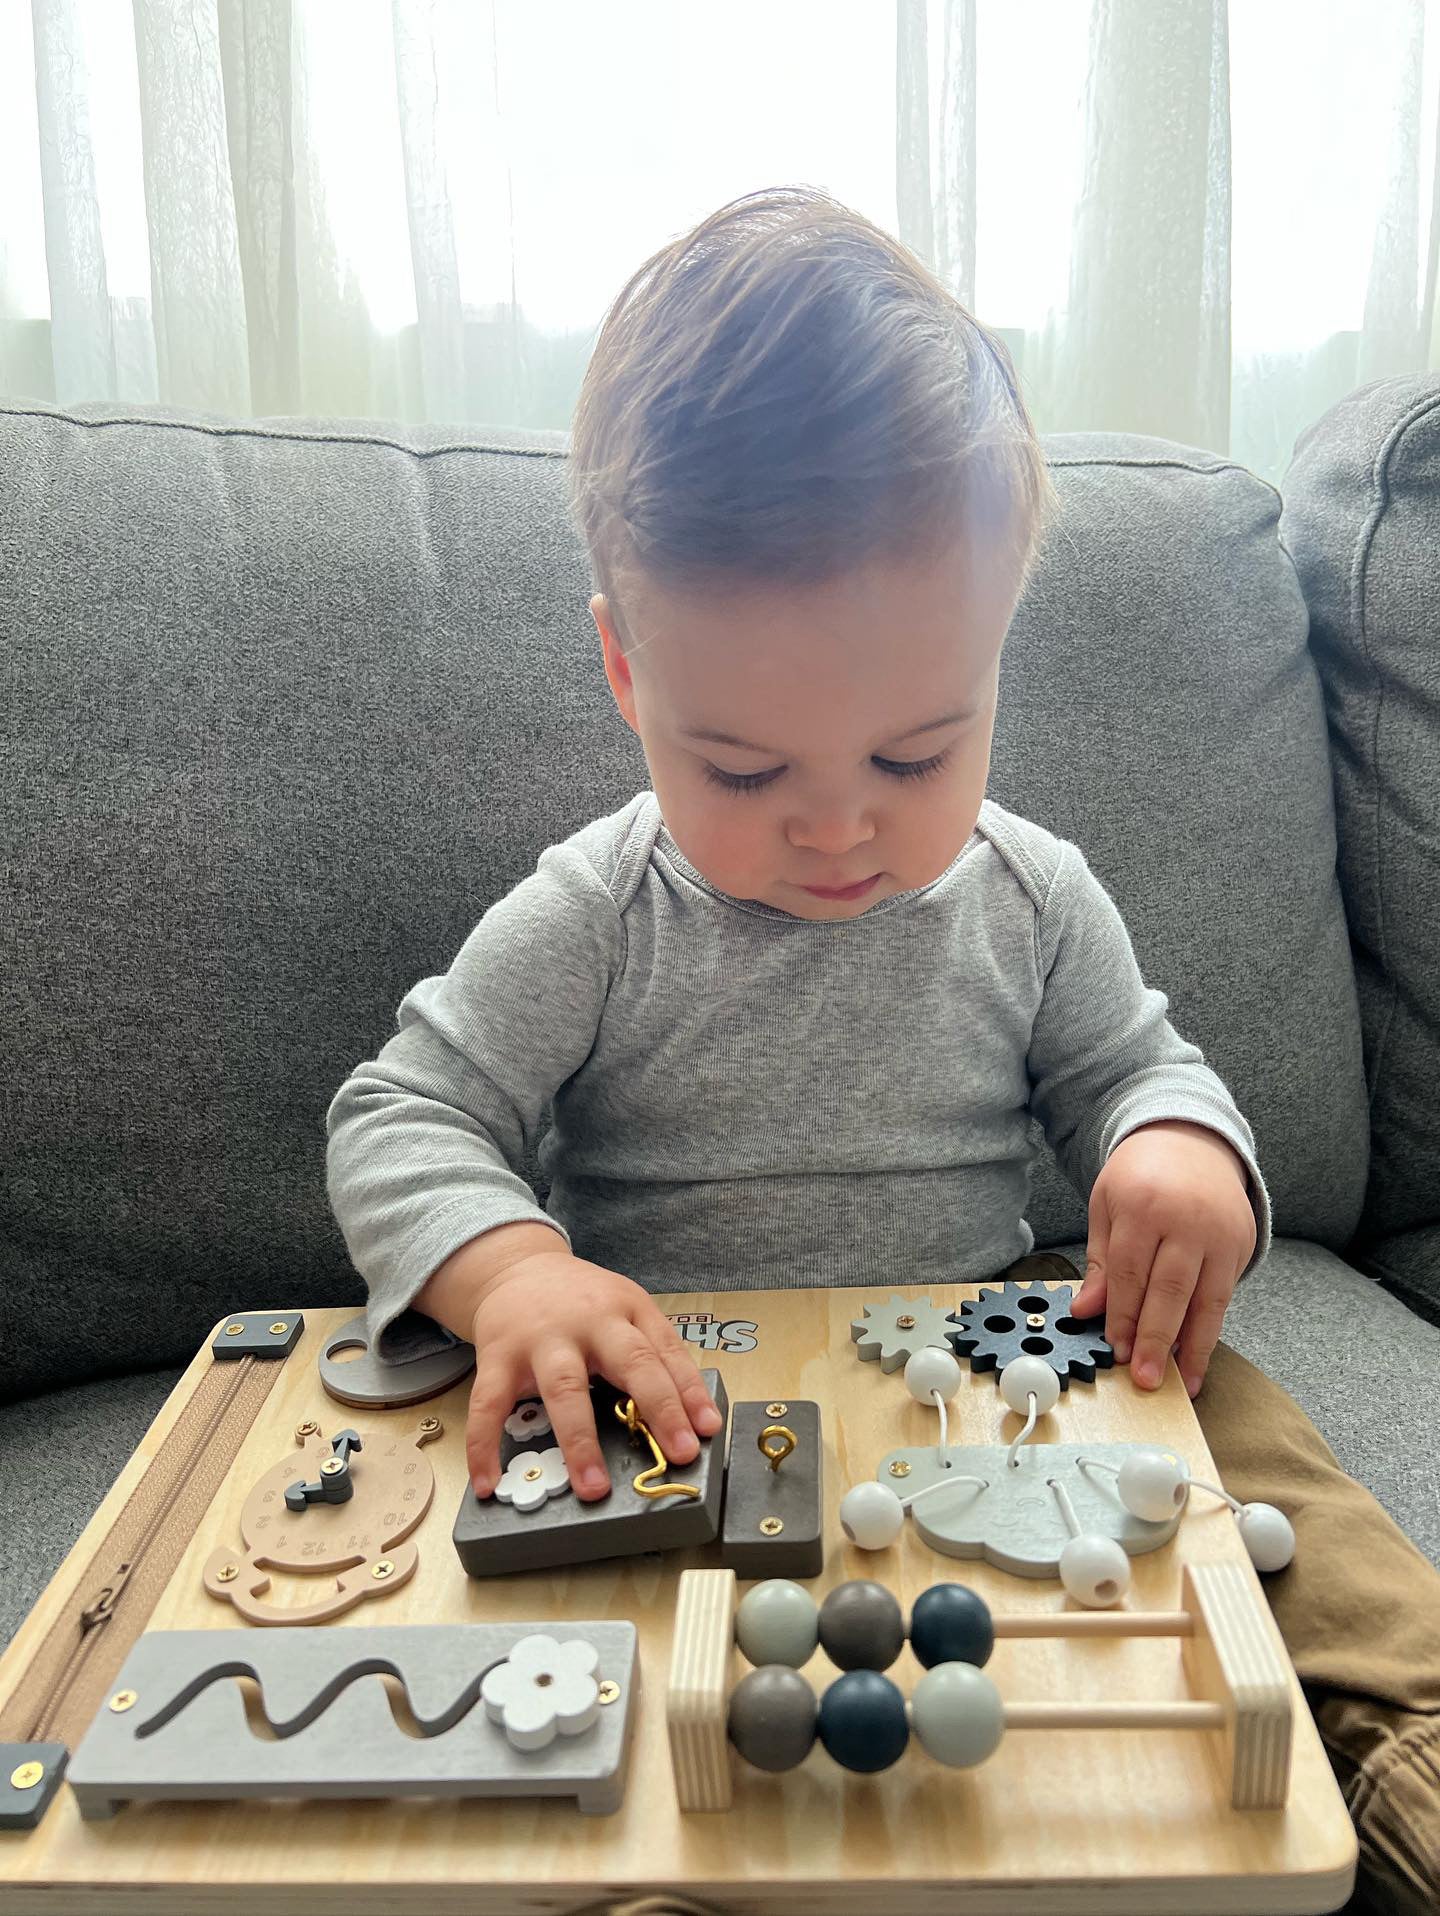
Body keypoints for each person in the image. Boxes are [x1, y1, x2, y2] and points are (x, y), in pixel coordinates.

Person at [326, 186, 1438, 1914]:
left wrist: (1175, 1149)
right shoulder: (599, 911)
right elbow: (406, 1108)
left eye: (919, 755)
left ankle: (1404, 1741)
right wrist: (511, 1272)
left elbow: (1148, 1067)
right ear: (627, 669)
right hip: (679, 1399)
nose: (839, 829)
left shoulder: (1035, 895)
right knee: (588, 1633)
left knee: (1238, 1429)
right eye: (750, 771)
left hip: (993, 1355)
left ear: (998, 656)